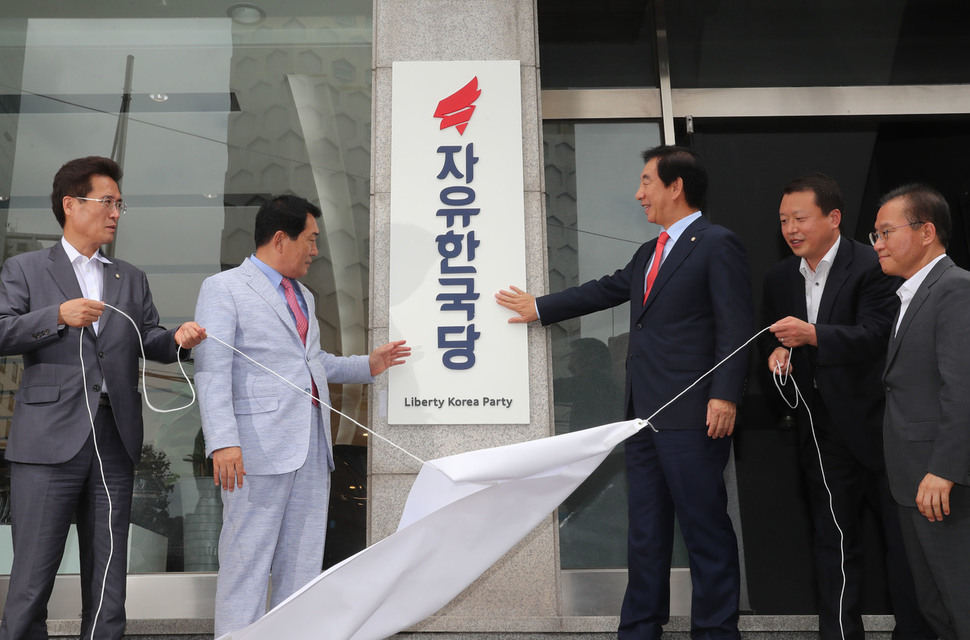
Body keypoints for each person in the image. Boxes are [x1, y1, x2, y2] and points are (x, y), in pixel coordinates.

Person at [497, 146, 753, 640]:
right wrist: (541, 307)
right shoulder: (650, 252)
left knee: (704, 530)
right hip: (642, 416)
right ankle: (638, 630)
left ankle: (717, 632)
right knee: (645, 532)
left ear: (676, 186)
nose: (639, 194)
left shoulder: (717, 243)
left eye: (646, 182)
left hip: (694, 414)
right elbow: (606, 289)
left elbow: (735, 326)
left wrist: (726, 395)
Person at [0, 156, 206, 640]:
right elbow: (4, 330)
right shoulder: (25, 268)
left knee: (109, 573)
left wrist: (178, 338)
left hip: (113, 440)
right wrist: (57, 314)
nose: (116, 212)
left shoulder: (129, 277)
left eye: (120, 204)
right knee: (32, 575)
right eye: (107, 201)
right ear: (71, 205)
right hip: (47, 442)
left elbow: (147, 336)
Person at [193, 194, 410, 637]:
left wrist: (367, 365)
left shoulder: (304, 296)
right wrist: (222, 442)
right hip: (253, 450)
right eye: (310, 239)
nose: (315, 249)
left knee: (302, 567)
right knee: (247, 562)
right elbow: (212, 370)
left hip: (310, 449)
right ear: (280, 238)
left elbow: (311, 363)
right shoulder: (225, 288)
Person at [761, 173, 931, 640]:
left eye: (800, 218)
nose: (791, 229)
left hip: (881, 427)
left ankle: (916, 632)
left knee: (904, 545)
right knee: (833, 542)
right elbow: (771, 342)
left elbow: (877, 335)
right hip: (822, 434)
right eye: (783, 221)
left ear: (833, 218)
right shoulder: (779, 278)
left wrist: (812, 336)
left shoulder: (874, 264)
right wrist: (777, 355)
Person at [874, 183, 970, 640]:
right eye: (876, 234)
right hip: (912, 481)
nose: (878, 244)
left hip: (942, 483)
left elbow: (964, 388)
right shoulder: (910, 295)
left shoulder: (955, 289)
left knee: (961, 604)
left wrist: (945, 469)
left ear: (926, 231)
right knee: (935, 609)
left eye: (886, 232)